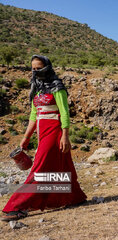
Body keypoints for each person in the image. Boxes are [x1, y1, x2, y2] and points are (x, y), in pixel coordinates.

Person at [1, 55, 87, 221]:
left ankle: (18, 206)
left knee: (39, 170)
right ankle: (75, 197)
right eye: (33, 68)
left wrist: (65, 136)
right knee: (63, 165)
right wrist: (26, 138)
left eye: (39, 68)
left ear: (47, 67)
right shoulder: (36, 88)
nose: (35, 71)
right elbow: (33, 115)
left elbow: (64, 113)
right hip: (42, 132)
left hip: (56, 133)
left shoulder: (57, 87)